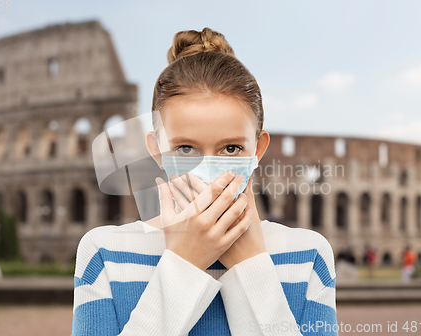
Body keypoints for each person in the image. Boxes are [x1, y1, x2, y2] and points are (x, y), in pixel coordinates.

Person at [71, 27, 338, 335]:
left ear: (258, 149)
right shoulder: (104, 252)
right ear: (156, 150)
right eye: (186, 148)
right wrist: (184, 262)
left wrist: (250, 267)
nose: (209, 167)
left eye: (231, 148)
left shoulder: (308, 255)